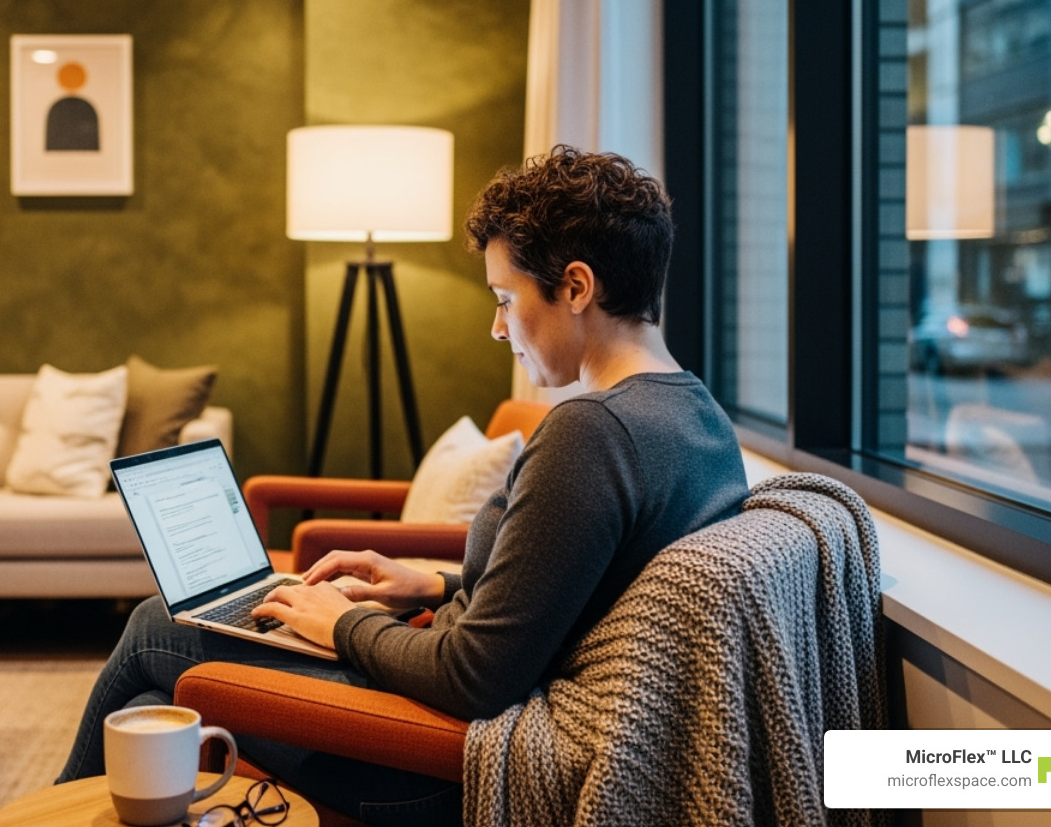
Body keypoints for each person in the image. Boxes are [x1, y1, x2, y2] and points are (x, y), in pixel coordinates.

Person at [58, 145, 750, 825]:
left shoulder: (590, 434)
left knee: (155, 628)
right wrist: (430, 584)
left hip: (439, 770)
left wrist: (344, 625)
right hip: (486, 706)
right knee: (157, 695)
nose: (498, 326)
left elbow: (475, 679)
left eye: (507, 298)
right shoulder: (696, 414)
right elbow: (573, 590)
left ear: (575, 287)